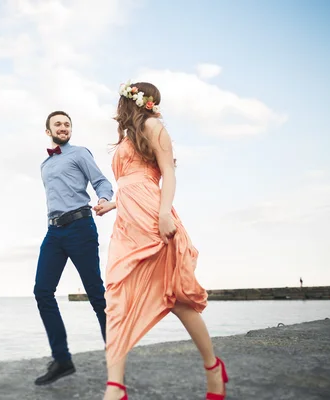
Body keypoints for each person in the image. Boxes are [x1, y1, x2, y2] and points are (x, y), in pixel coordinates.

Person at [93, 82, 229, 400]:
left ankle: (213, 369)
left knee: (179, 302)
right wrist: (112, 204)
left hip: (154, 220)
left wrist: (165, 213)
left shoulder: (154, 126)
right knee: (116, 299)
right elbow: (130, 183)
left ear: (133, 101)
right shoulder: (129, 137)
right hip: (128, 224)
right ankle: (115, 386)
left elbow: (167, 172)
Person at [33, 110, 114, 386]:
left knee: (96, 295)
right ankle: (62, 360)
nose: (63, 127)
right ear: (48, 131)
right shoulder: (44, 164)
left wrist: (104, 199)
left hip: (80, 227)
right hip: (54, 232)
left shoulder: (79, 153)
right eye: (58, 124)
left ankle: (116, 358)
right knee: (42, 291)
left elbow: (101, 182)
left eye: (67, 124)